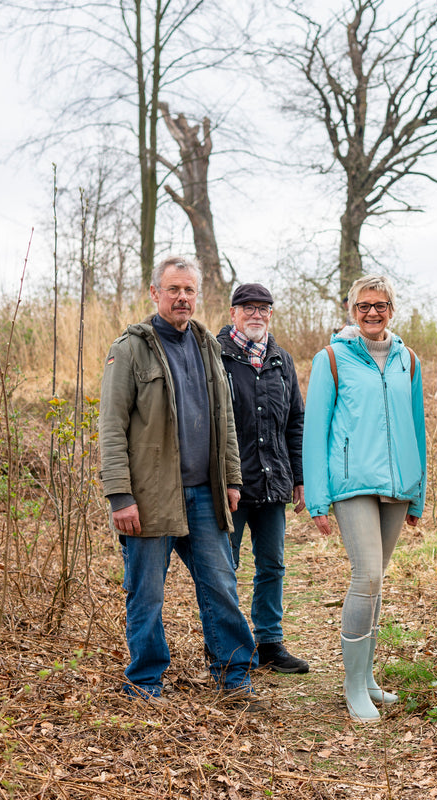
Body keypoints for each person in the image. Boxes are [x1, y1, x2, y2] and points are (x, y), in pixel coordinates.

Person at [99, 254, 262, 711]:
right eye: (173, 289)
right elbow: (111, 427)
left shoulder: (208, 344)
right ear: (155, 293)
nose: (182, 297)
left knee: (221, 585)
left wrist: (231, 478)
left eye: (189, 290)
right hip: (149, 499)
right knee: (146, 593)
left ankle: (234, 677)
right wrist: (120, 495)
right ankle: (145, 682)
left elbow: (224, 419)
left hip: (205, 494)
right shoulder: (130, 349)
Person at [303, 274, 427, 723]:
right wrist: (317, 499)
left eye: (381, 305)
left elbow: (417, 427)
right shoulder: (332, 359)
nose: (373, 313)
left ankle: (369, 677)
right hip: (351, 484)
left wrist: (418, 492)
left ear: (393, 309)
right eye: (363, 306)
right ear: (351, 311)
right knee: (367, 576)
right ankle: (353, 686)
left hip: (397, 488)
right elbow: (315, 431)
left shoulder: (407, 360)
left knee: (377, 583)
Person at [218, 282, 309, 674]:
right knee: (224, 567)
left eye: (264, 309)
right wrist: (221, 478)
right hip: (230, 486)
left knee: (272, 564)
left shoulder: (280, 359)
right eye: (248, 308)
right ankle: (228, 648)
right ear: (233, 312)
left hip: (273, 484)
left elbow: (295, 421)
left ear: (271, 314)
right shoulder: (216, 355)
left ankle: (269, 643)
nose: (256, 314)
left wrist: (300, 477)